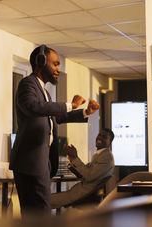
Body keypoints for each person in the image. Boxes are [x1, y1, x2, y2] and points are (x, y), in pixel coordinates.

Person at [9, 44, 99, 217]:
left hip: (38, 160)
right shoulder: (28, 84)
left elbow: (55, 116)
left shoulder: (44, 91)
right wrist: (69, 105)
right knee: (39, 212)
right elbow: (33, 107)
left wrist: (85, 112)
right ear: (41, 62)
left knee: (36, 214)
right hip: (30, 161)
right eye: (55, 64)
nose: (58, 68)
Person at [51, 128, 115, 209]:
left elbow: (89, 176)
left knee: (45, 200)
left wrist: (75, 158)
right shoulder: (100, 155)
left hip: (82, 194)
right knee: (45, 199)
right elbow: (84, 172)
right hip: (78, 192)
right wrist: (72, 158)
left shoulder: (106, 157)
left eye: (104, 137)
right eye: (99, 135)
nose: (100, 138)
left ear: (110, 142)